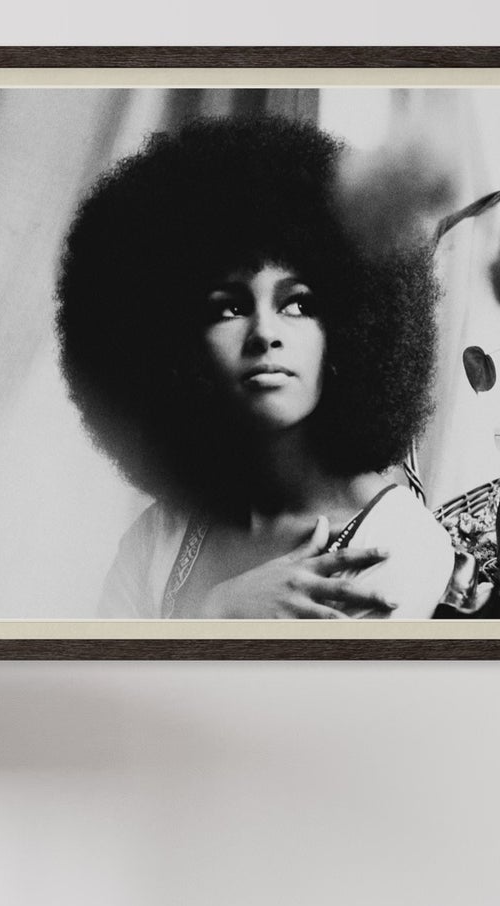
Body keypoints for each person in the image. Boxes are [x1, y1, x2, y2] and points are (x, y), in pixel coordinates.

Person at [55, 114, 456, 620]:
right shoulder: (157, 539)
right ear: (178, 343)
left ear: (350, 329)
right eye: (230, 307)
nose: (265, 332)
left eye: (298, 305)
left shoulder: (397, 542)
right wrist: (217, 612)